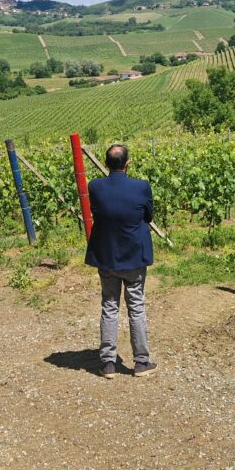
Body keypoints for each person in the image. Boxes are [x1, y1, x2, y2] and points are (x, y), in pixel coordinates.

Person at [85, 143, 157, 378]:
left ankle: (108, 363)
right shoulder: (141, 187)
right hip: (134, 255)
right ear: (128, 163)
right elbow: (148, 216)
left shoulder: (95, 187)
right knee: (136, 307)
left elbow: (98, 213)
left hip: (106, 255)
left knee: (109, 306)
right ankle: (141, 362)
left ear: (106, 164)